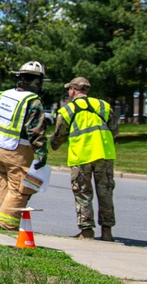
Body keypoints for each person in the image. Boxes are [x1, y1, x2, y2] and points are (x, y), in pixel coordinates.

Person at [0, 61, 49, 231]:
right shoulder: (33, 101)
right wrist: (42, 153)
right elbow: (35, 131)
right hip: (18, 151)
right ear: (36, 81)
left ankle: (2, 220)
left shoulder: (3, 95)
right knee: (20, 189)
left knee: (5, 183)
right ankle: (7, 225)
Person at [50, 76, 118, 241]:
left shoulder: (67, 110)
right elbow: (114, 130)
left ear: (73, 90)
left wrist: (53, 144)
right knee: (105, 192)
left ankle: (86, 231)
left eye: (69, 89)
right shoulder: (103, 106)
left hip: (81, 157)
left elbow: (59, 136)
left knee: (82, 193)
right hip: (104, 155)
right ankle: (107, 232)